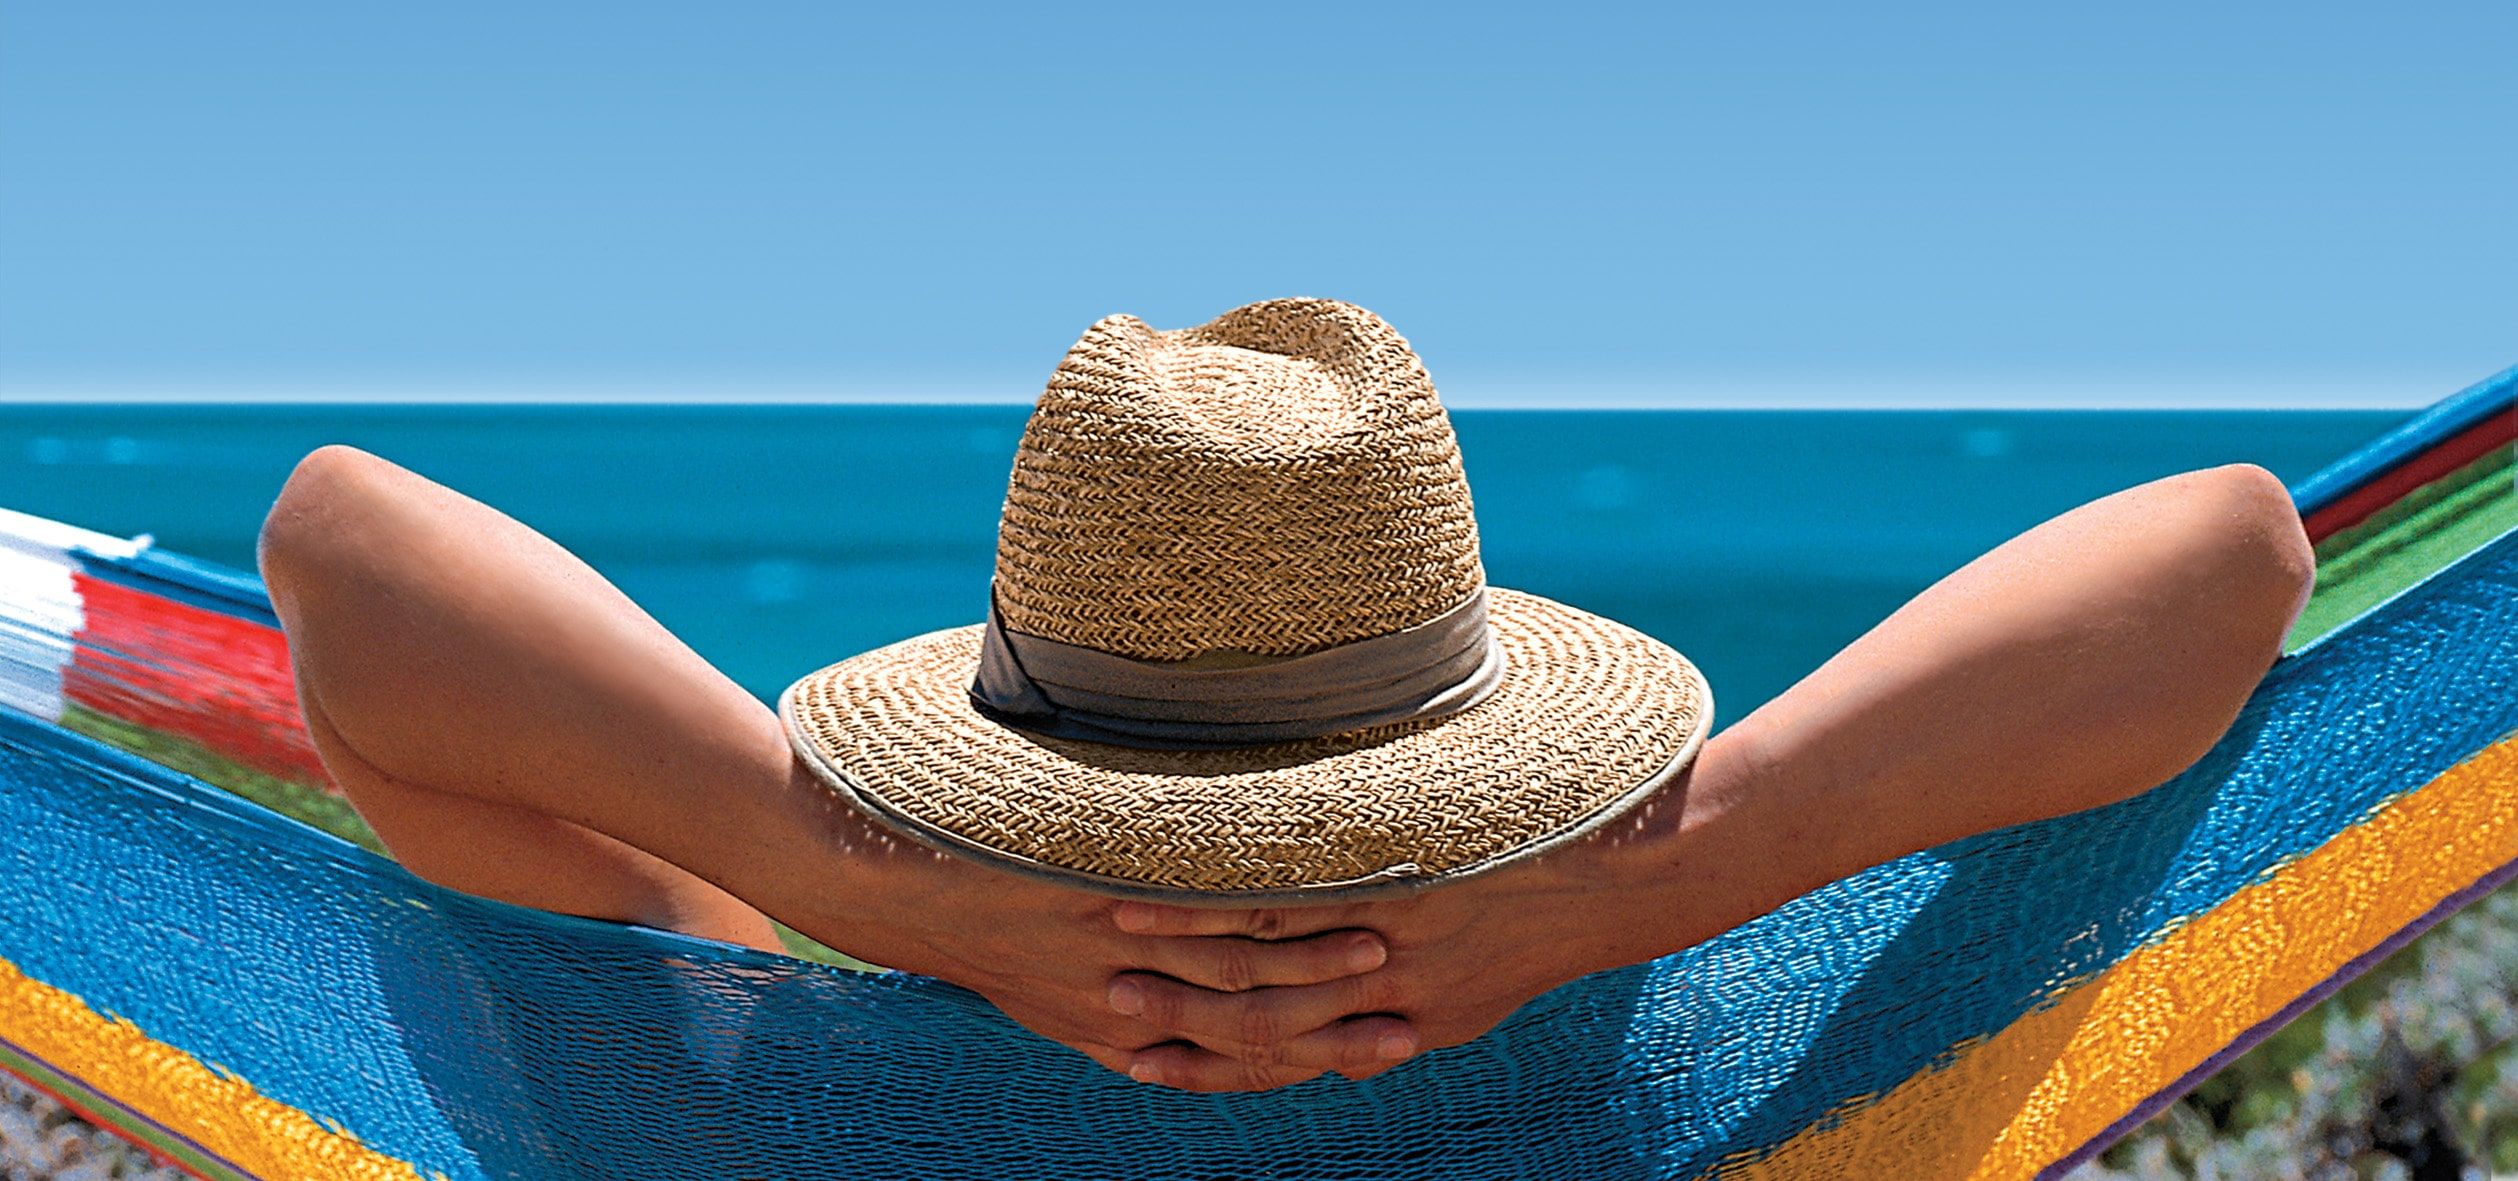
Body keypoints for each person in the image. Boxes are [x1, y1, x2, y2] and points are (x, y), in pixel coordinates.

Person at [257, 299, 2314, 1096]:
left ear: (1011, 769)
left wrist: (851, 887)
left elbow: (346, 557)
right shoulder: (1663, 1066)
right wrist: (1664, 876)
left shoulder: (760, 1094)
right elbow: (2227, 558)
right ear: (1483, 755)